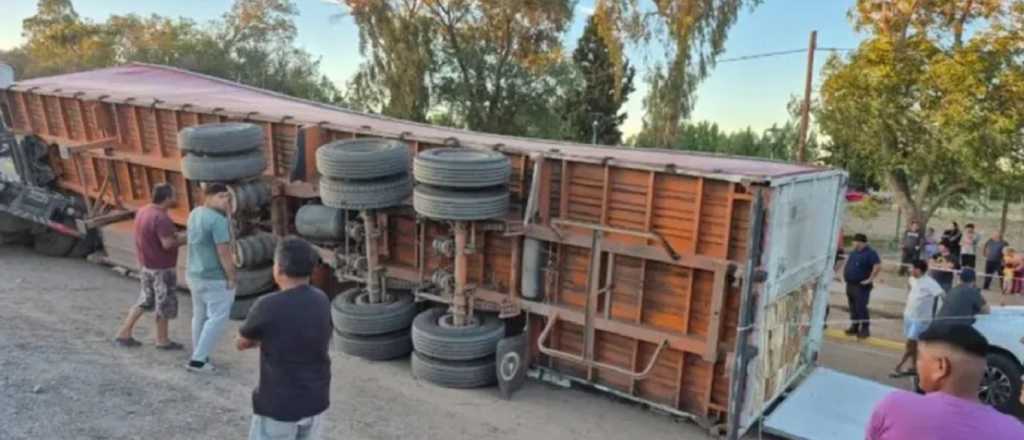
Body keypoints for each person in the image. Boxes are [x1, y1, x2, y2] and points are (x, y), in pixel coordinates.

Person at [237, 237, 331, 440]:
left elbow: (242, 342)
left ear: (278, 269)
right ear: (311, 269)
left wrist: (261, 341)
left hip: (279, 405)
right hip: (316, 400)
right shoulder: (321, 299)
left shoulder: (267, 305)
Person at [866, 324, 1024, 440]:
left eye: (919, 358)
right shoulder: (1014, 431)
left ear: (941, 366)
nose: (916, 365)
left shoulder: (894, 406)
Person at [113, 183, 186, 349]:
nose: (176, 199)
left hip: (147, 265)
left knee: (145, 300)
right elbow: (167, 244)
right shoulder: (161, 218)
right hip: (162, 268)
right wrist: (189, 237)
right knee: (164, 303)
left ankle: (124, 333)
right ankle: (162, 340)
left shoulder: (143, 210)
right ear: (167, 198)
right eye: (174, 195)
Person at [185, 183, 236, 373]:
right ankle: (198, 361)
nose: (226, 200)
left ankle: (199, 354)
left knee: (199, 315)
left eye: (228, 197)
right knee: (217, 318)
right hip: (213, 278)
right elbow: (224, 252)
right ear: (208, 197)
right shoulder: (217, 221)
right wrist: (231, 277)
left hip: (193, 274)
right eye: (221, 197)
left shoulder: (194, 213)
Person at [892, 260, 943, 377]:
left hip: (921, 320)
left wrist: (937, 313)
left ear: (919, 270)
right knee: (912, 344)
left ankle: (898, 366)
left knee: (910, 342)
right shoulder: (911, 279)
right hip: (909, 315)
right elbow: (910, 289)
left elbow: (941, 295)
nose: (911, 270)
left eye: (913, 268)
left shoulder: (931, 283)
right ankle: (914, 367)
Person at [842, 233, 881, 339]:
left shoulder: (871, 253)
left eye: (854, 242)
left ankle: (865, 329)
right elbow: (847, 262)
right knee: (853, 307)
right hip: (850, 284)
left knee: (861, 308)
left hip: (861, 286)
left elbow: (877, 266)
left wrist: (870, 279)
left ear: (860, 242)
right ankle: (854, 326)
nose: (853, 243)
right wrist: (843, 274)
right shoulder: (854, 252)